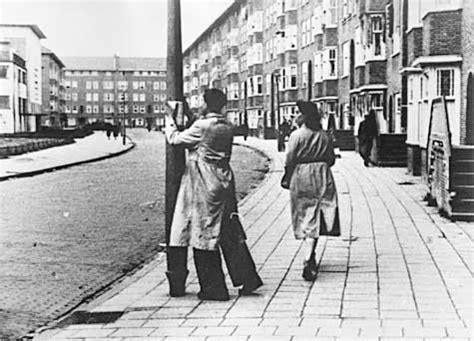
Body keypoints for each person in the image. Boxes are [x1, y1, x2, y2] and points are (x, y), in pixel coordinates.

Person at [165, 88, 263, 301]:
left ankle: (214, 288)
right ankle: (248, 279)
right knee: (229, 232)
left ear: (207, 104)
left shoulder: (202, 126)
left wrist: (170, 119)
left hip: (204, 183)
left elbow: (175, 139)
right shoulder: (226, 126)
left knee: (204, 233)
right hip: (224, 181)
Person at [281, 100, 340, 281]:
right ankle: (310, 255)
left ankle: (308, 258)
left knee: (307, 214)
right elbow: (331, 159)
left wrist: (287, 175)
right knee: (320, 212)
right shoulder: (324, 135)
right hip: (323, 174)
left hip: (302, 174)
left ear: (303, 116)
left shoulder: (297, 135)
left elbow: (289, 158)